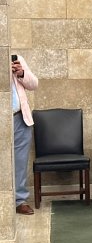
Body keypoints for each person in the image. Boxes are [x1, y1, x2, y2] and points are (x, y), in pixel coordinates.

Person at [11, 55, 38, 215]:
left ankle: (19, 200)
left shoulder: (17, 58)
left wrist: (21, 73)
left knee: (20, 161)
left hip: (20, 118)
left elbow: (34, 84)